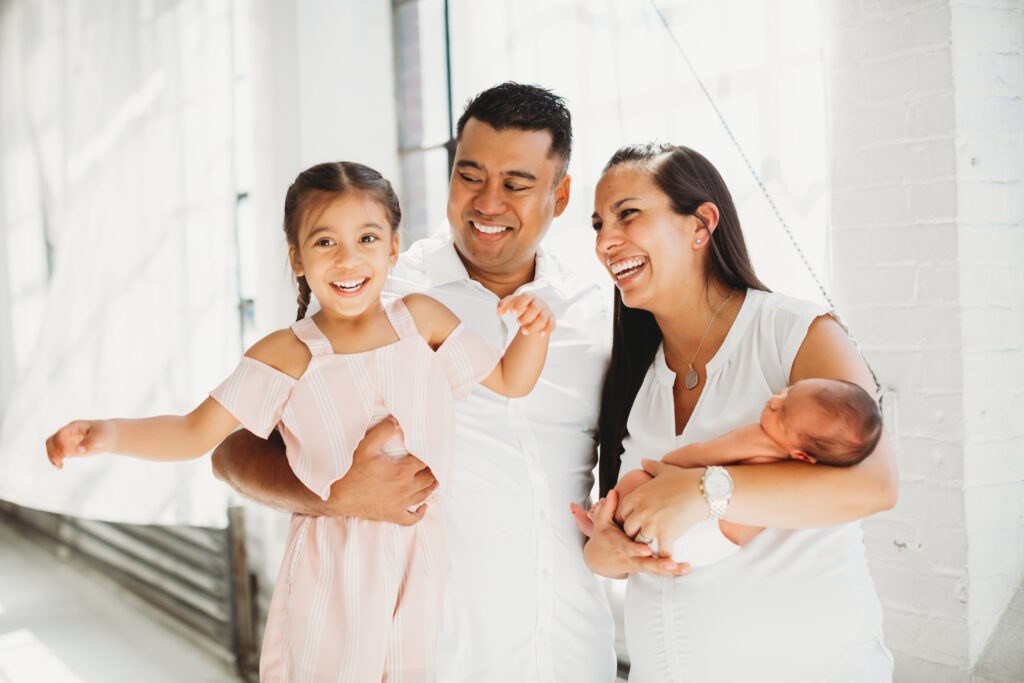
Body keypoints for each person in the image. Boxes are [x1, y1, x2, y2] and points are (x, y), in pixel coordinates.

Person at [45, 160, 556, 682]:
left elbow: (511, 381)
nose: (348, 259)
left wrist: (534, 331)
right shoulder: (286, 354)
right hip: (329, 571)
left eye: (367, 238)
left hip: (419, 559)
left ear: (394, 248)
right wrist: (108, 433)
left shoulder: (421, 322)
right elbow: (193, 432)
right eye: (325, 243)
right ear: (296, 257)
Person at [210, 83, 617, 682]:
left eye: (516, 184)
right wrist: (337, 495)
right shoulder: (380, 294)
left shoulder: (597, 311)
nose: (487, 202)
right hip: (430, 655)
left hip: (572, 651)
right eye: (469, 175)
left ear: (560, 199)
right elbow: (232, 449)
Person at [584, 143, 898, 681]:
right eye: (597, 225)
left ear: (702, 223)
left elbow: (875, 486)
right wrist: (607, 553)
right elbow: (614, 538)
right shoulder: (629, 374)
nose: (606, 241)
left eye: (627, 214)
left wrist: (704, 490)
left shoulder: (796, 332)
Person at [572, 377, 883, 566]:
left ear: (802, 453)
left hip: (705, 526)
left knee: (634, 482)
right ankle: (607, 527)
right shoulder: (804, 465)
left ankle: (603, 516)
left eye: (783, 411)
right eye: (789, 391)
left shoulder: (758, 438)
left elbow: (705, 453)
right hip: (718, 547)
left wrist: (669, 468)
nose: (776, 399)